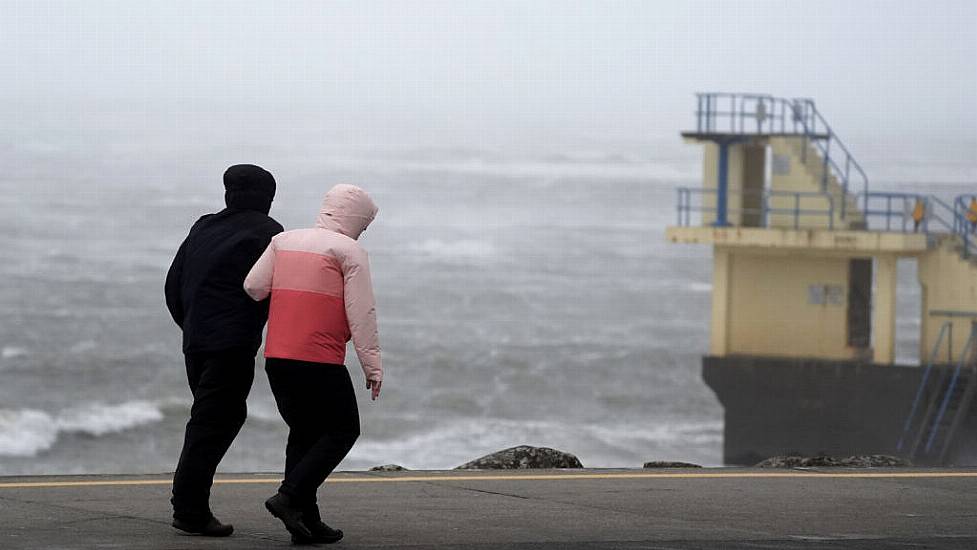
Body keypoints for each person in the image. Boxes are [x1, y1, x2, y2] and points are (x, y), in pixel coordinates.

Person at [244, 184, 383, 544]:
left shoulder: (283, 241)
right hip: (318, 358)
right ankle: (288, 498)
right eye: (364, 224)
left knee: (304, 433)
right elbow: (361, 313)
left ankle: (306, 522)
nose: (363, 231)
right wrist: (373, 367)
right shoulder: (349, 251)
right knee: (342, 430)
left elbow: (254, 287)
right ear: (355, 219)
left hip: (278, 357)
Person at [164, 164, 284, 536]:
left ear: (228, 194)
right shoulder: (269, 232)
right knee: (214, 424)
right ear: (267, 199)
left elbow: (173, 285)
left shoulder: (203, 226)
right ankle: (189, 509)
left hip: (196, 340)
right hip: (231, 344)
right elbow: (273, 292)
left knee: (209, 420)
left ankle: (189, 503)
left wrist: (194, 327)